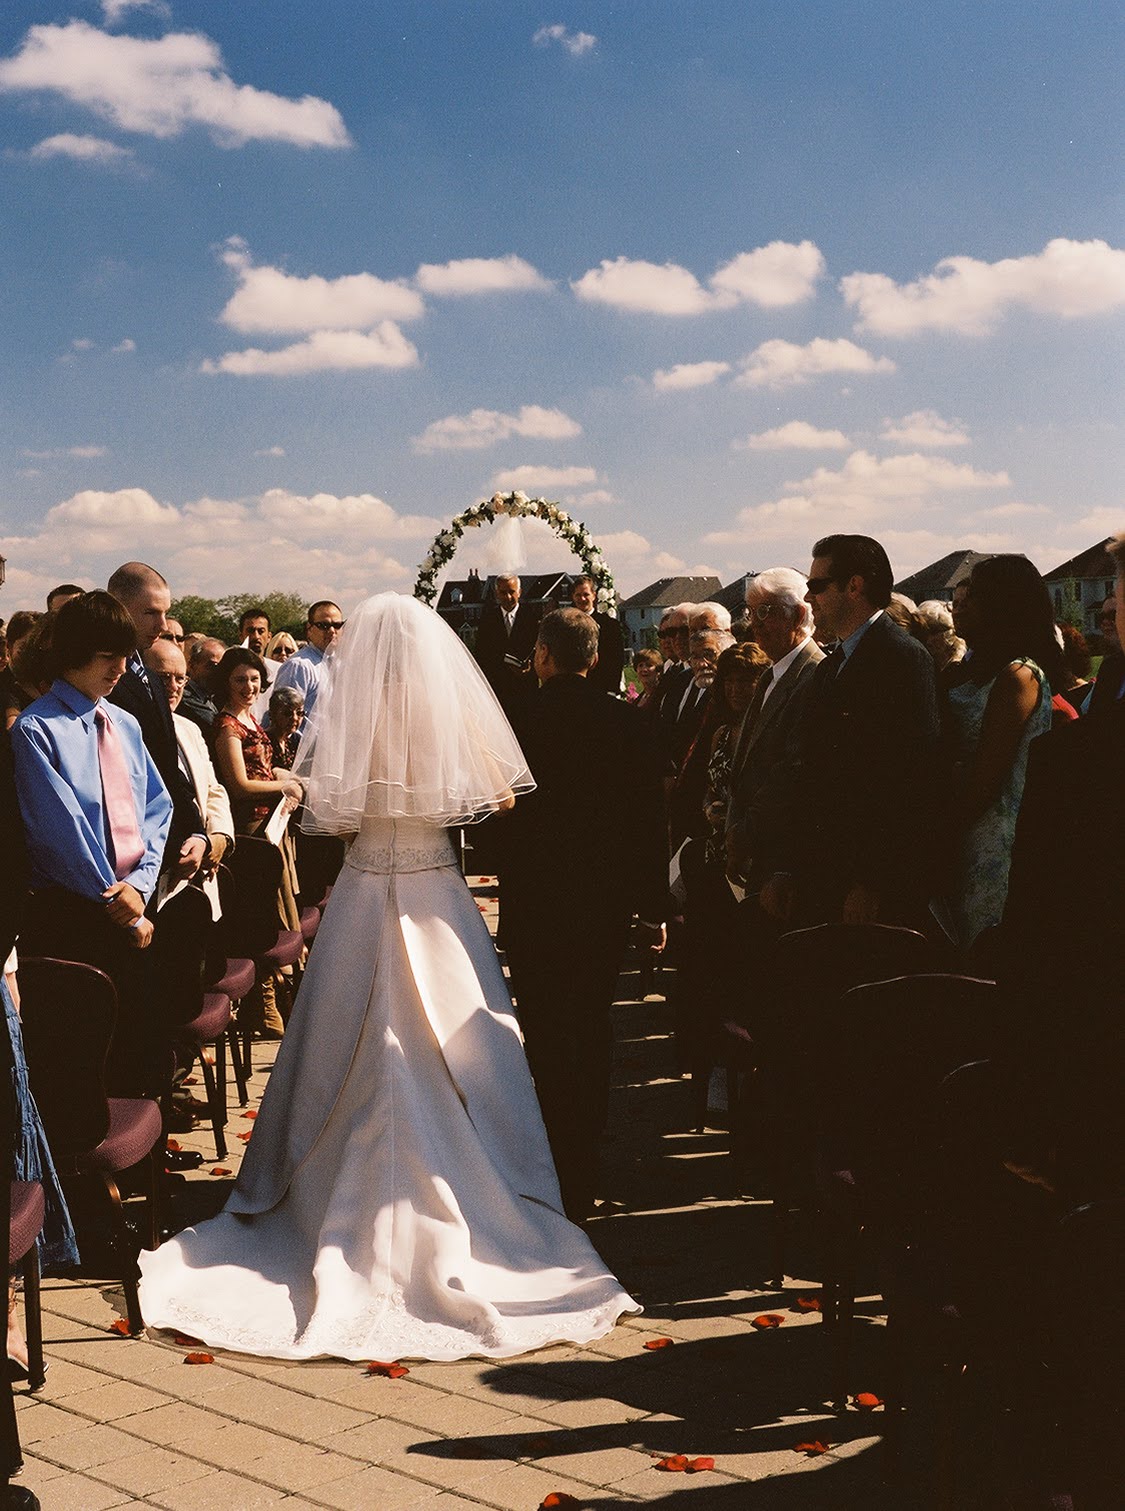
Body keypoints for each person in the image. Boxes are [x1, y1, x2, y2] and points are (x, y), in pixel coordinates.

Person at [138, 592, 640, 1360]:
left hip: (367, 891)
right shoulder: (446, 715)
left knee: (349, 1034)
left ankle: (315, 1185)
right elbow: (497, 798)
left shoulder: (354, 717)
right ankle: (491, 1181)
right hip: (434, 889)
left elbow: (328, 813)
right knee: (452, 1040)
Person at [495, 609, 667, 1219]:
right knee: (592, 1025)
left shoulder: (515, 722)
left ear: (542, 655)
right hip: (602, 905)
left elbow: (494, 820)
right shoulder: (627, 721)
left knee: (543, 1029)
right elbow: (650, 821)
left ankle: (547, 1155)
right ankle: (584, 1164)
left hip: (536, 902)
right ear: (594, 660)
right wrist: (652, 909)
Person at [11, 593, 173, 1095]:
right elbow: (62, 833)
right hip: (77, 913)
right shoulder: (37, 729)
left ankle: (146, 1137)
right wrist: (118, 901)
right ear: (72, 654)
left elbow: (156, 806)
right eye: (108, 657)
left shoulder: (123, 723)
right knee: (91, 1064)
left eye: (126, 655)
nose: (121, 668)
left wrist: (140, 886)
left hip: (133, 902)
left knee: (140, 1051)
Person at [760, 534, 940, 930]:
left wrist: (872, 882)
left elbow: (910, 781)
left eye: (817, 585)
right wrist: (785, 867)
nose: (809, 598)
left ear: (854, 586)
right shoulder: (832, 666)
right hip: (821, 873)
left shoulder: (903, 660)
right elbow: (806, 770)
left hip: (865, 887)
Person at [934, 555, 1061, 948]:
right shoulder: (973, 670)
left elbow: (987, 779)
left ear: (1002, 604)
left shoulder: (1018, 676)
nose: (962, 604)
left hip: (992, 838)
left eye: (975, 595)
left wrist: (938, 833)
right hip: (964, 827)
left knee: (982, 950)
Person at [210, 648, 302, 1037]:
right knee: (264, 914)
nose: (248, 687)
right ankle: (262, 1004)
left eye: (253, 679)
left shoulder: (250, 718)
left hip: (273, 826)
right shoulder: (227, 725)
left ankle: (283, 996)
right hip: (251, 829)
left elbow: (262, 767)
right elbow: (239, 784)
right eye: (240, 680)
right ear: (226, 683)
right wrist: (283, 786)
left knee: (283, 910)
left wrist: (284, 776)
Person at [473, 574, 540, 708]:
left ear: (519, 592)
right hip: (498, 691)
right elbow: (481, 655)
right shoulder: (487, 620)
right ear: (497, 594)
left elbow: (540, 652)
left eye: (511, 592)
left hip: (526, 691)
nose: (508, 597)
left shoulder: (532, 618)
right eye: (503, 593)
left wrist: (530, 669)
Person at [272, 599, 344, 722]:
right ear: (309, 629)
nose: (332, 631)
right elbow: (283, 719)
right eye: (324, 626)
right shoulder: (298, 666)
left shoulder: (341, 664)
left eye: (337, 625)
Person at [570, 575, 625, 696]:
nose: (582, 598)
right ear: (573, 597)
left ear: (594, 596)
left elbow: (616, 660)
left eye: (586, 594)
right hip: (573, 690)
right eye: (578, 595)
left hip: (601, 689)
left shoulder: (609, 625)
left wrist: (611, 690)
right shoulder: (567, 625)